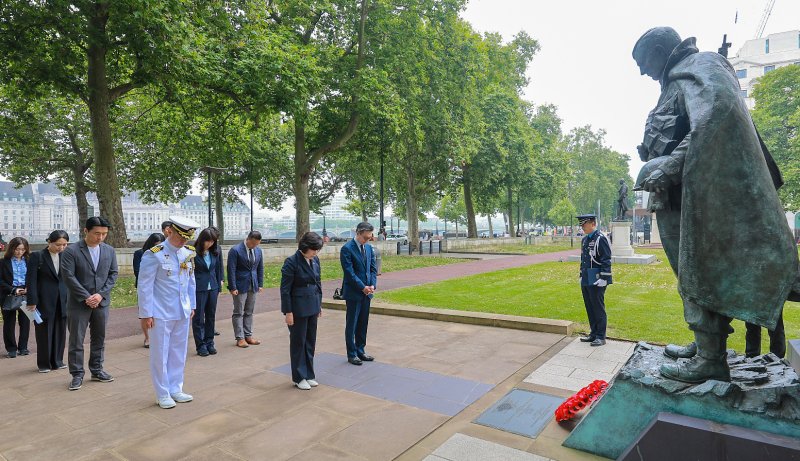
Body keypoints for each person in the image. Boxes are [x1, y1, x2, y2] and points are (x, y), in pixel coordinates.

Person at [633, 27, 798, 383]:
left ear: (661, 49)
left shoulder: (700, 65)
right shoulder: (676, 81)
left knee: (698, 273)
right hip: (674, 197)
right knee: (691, 274)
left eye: (643, 62)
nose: (642, 72)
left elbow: (717, 116)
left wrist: (671, 164)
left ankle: (711, 359)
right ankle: (707, 344)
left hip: (698, 196)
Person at [137, 216, 199, 409]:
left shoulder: (187, 253)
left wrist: (192, 305)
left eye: (186, 238)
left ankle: (176, 388)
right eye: (180, 237)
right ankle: (162, 393)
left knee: (178, 353)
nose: (183, 242)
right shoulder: (154, 254)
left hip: (182, 310)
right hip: (160, 312)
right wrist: (146, 313)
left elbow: (190, 281)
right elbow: (144, 286)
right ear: (169, 231)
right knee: (160, 354)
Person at [61, 216, 118, 391]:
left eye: (104, 234)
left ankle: (97, 369)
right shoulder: (71, 251)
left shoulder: (109, 251)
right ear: (85, 231)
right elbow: (68, 276)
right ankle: (77, 374)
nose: (100, 237)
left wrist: (100, 295)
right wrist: (87, 296)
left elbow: (113, 274)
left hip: (101, 302)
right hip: (78, 303)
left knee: (99, 338)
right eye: (96, 233)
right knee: (76, 340)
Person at [280, 232, 324, 390]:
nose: (316, 253)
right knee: (298, 342)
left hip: (312, 304)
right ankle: (299, 377)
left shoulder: (315, 260)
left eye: (317, 250)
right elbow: (285, 290)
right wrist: (288, 312)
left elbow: (318, 283)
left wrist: (319, 304)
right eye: (314, 249)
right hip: (297, 307)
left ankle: (309, 374)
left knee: (310, 341)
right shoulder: (291, 262)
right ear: (305, 247)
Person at [26, 230, 69, 372]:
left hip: (62, 300)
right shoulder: (37, 256)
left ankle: (58, 360)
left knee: (61, 331)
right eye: (58, 245)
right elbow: (31, 280)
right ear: (49, 242)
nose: (61, 248)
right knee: (44, 332)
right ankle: (44, 364)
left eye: (64, 245)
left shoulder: (65, 256)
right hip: (43, 300)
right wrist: (31, 301)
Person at [340, 222, 378, 365]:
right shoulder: (346, 249)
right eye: (365, 237)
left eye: (369, 237)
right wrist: (362, 287)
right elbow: (349, 272)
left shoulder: (368, 248)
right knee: (352, 323)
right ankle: (352, 354)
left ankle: (360, 350)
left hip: (367, 292)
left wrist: (372, 285)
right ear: (357, 233)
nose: (367, 240)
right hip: (354, 292)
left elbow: (373, 269)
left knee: (363, 323)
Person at [576, 214, 612, 347]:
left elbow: (606, 259)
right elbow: (583, 259)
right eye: (581, 225)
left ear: (592, 224)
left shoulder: (601, 238)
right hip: (587, 277)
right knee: (589, 306)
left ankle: (601, 336)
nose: (582, 227)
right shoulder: (585, 239)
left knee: (597, 307)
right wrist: (581, 275)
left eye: (584, 224)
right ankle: (593, 333)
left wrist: (604, 278)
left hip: (597, 278)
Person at [227, 231, 264, 348]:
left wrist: (260, 284)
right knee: (238, 312)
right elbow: (231, 270)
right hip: (240, 285)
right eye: (253, 243)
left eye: (257, 244)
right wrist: (233, 287)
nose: (254, 246)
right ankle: (240, 338)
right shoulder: (235, 250)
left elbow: (260, 268)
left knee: (249, 311)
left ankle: (248, 335)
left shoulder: (258, 251)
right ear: (248, 239)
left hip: (253, 285)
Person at [193, 227, 223, 357]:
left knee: (211, 316)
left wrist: (219, 287)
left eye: (213, 242)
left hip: (213, 287)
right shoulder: (192, 252)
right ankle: (201, 345)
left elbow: (219, 269)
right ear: (202, 240)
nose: (210, 244)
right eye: (208, 241)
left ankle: (210, 342)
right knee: (198, 318)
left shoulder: (215, 251)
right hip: (199, 288)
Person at [134, 232, 166, 349]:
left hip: (159, 289)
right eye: (155, 244)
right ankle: (147, 337)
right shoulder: (141, 254)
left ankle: (157, 336)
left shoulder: (164, 254)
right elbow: (137, 271)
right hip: (145, 287)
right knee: (145, 314)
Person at [1, 237, 31, 358]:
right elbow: (1, 281)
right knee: (9, 322)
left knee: (26, 322)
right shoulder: (3, 262)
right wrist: (13, 289)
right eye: (17, 249)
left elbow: (34, 277)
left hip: (26, 294)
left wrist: (29, 287)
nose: (20, 252)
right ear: (12, 248)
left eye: (23, 249)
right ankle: (11, 349)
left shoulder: (29, 261)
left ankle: (23, 347)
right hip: (8, 294)